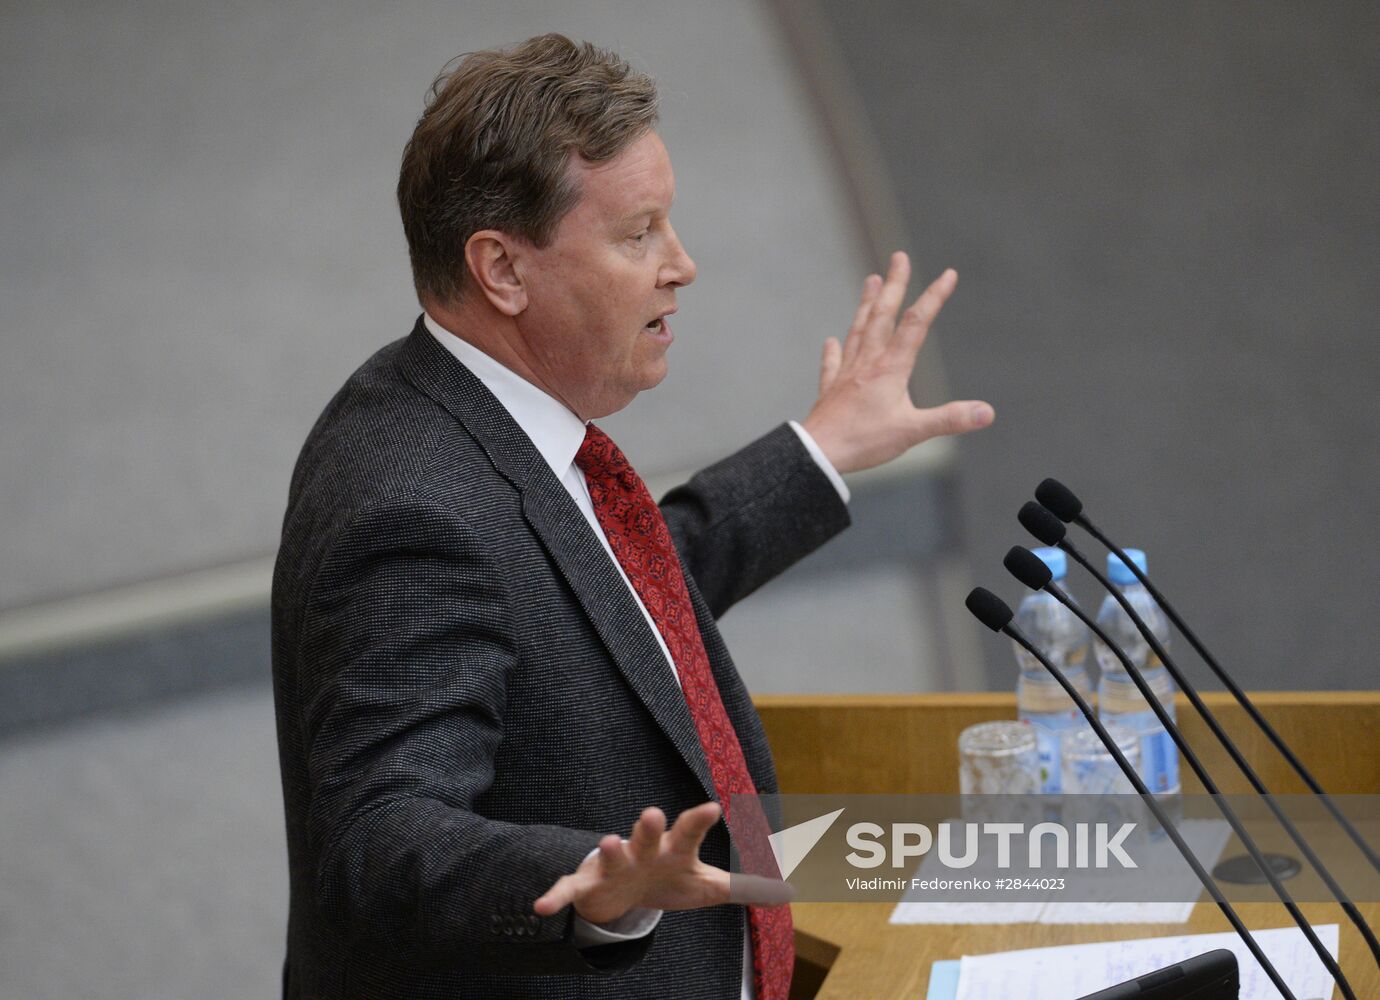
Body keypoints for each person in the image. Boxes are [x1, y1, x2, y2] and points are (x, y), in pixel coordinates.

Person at [270, 32, 993, 1000]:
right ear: (503, 269)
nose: (682, 265)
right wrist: (591, 887)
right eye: (638, 233)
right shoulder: (411, 503)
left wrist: (820, 450)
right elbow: (380, 835)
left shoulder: (465, 412)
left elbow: (607, 600)